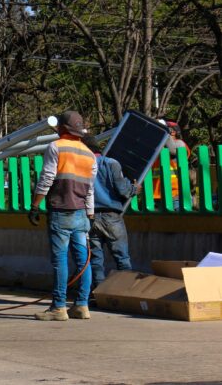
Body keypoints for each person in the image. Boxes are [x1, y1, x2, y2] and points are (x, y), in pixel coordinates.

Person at [28, 110, 97, 321]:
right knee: (83, 260)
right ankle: (82, 305)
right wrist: (90, 214)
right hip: (81, 214)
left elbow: (47, 177)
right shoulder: (89, 154)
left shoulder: (56, 147)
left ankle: (59, 307)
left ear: (62, 128)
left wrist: (35, 205)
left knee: (60, 261)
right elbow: (90, 189)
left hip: (60, 211)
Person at [82, 134, 139, 289]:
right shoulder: (111, 163)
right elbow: (123, 190)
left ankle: (98, 293)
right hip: (111, 216)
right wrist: (134, 188)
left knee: (95, 259)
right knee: (122, 257)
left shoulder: (80, 167)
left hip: (90, 216)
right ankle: (126, 292)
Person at [152, 120, 190, 210]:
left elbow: (172, 149)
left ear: (173, 132)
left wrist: (164, 133)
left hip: (175, 194)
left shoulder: (180, 143)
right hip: (158, 195)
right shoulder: (158, 147)